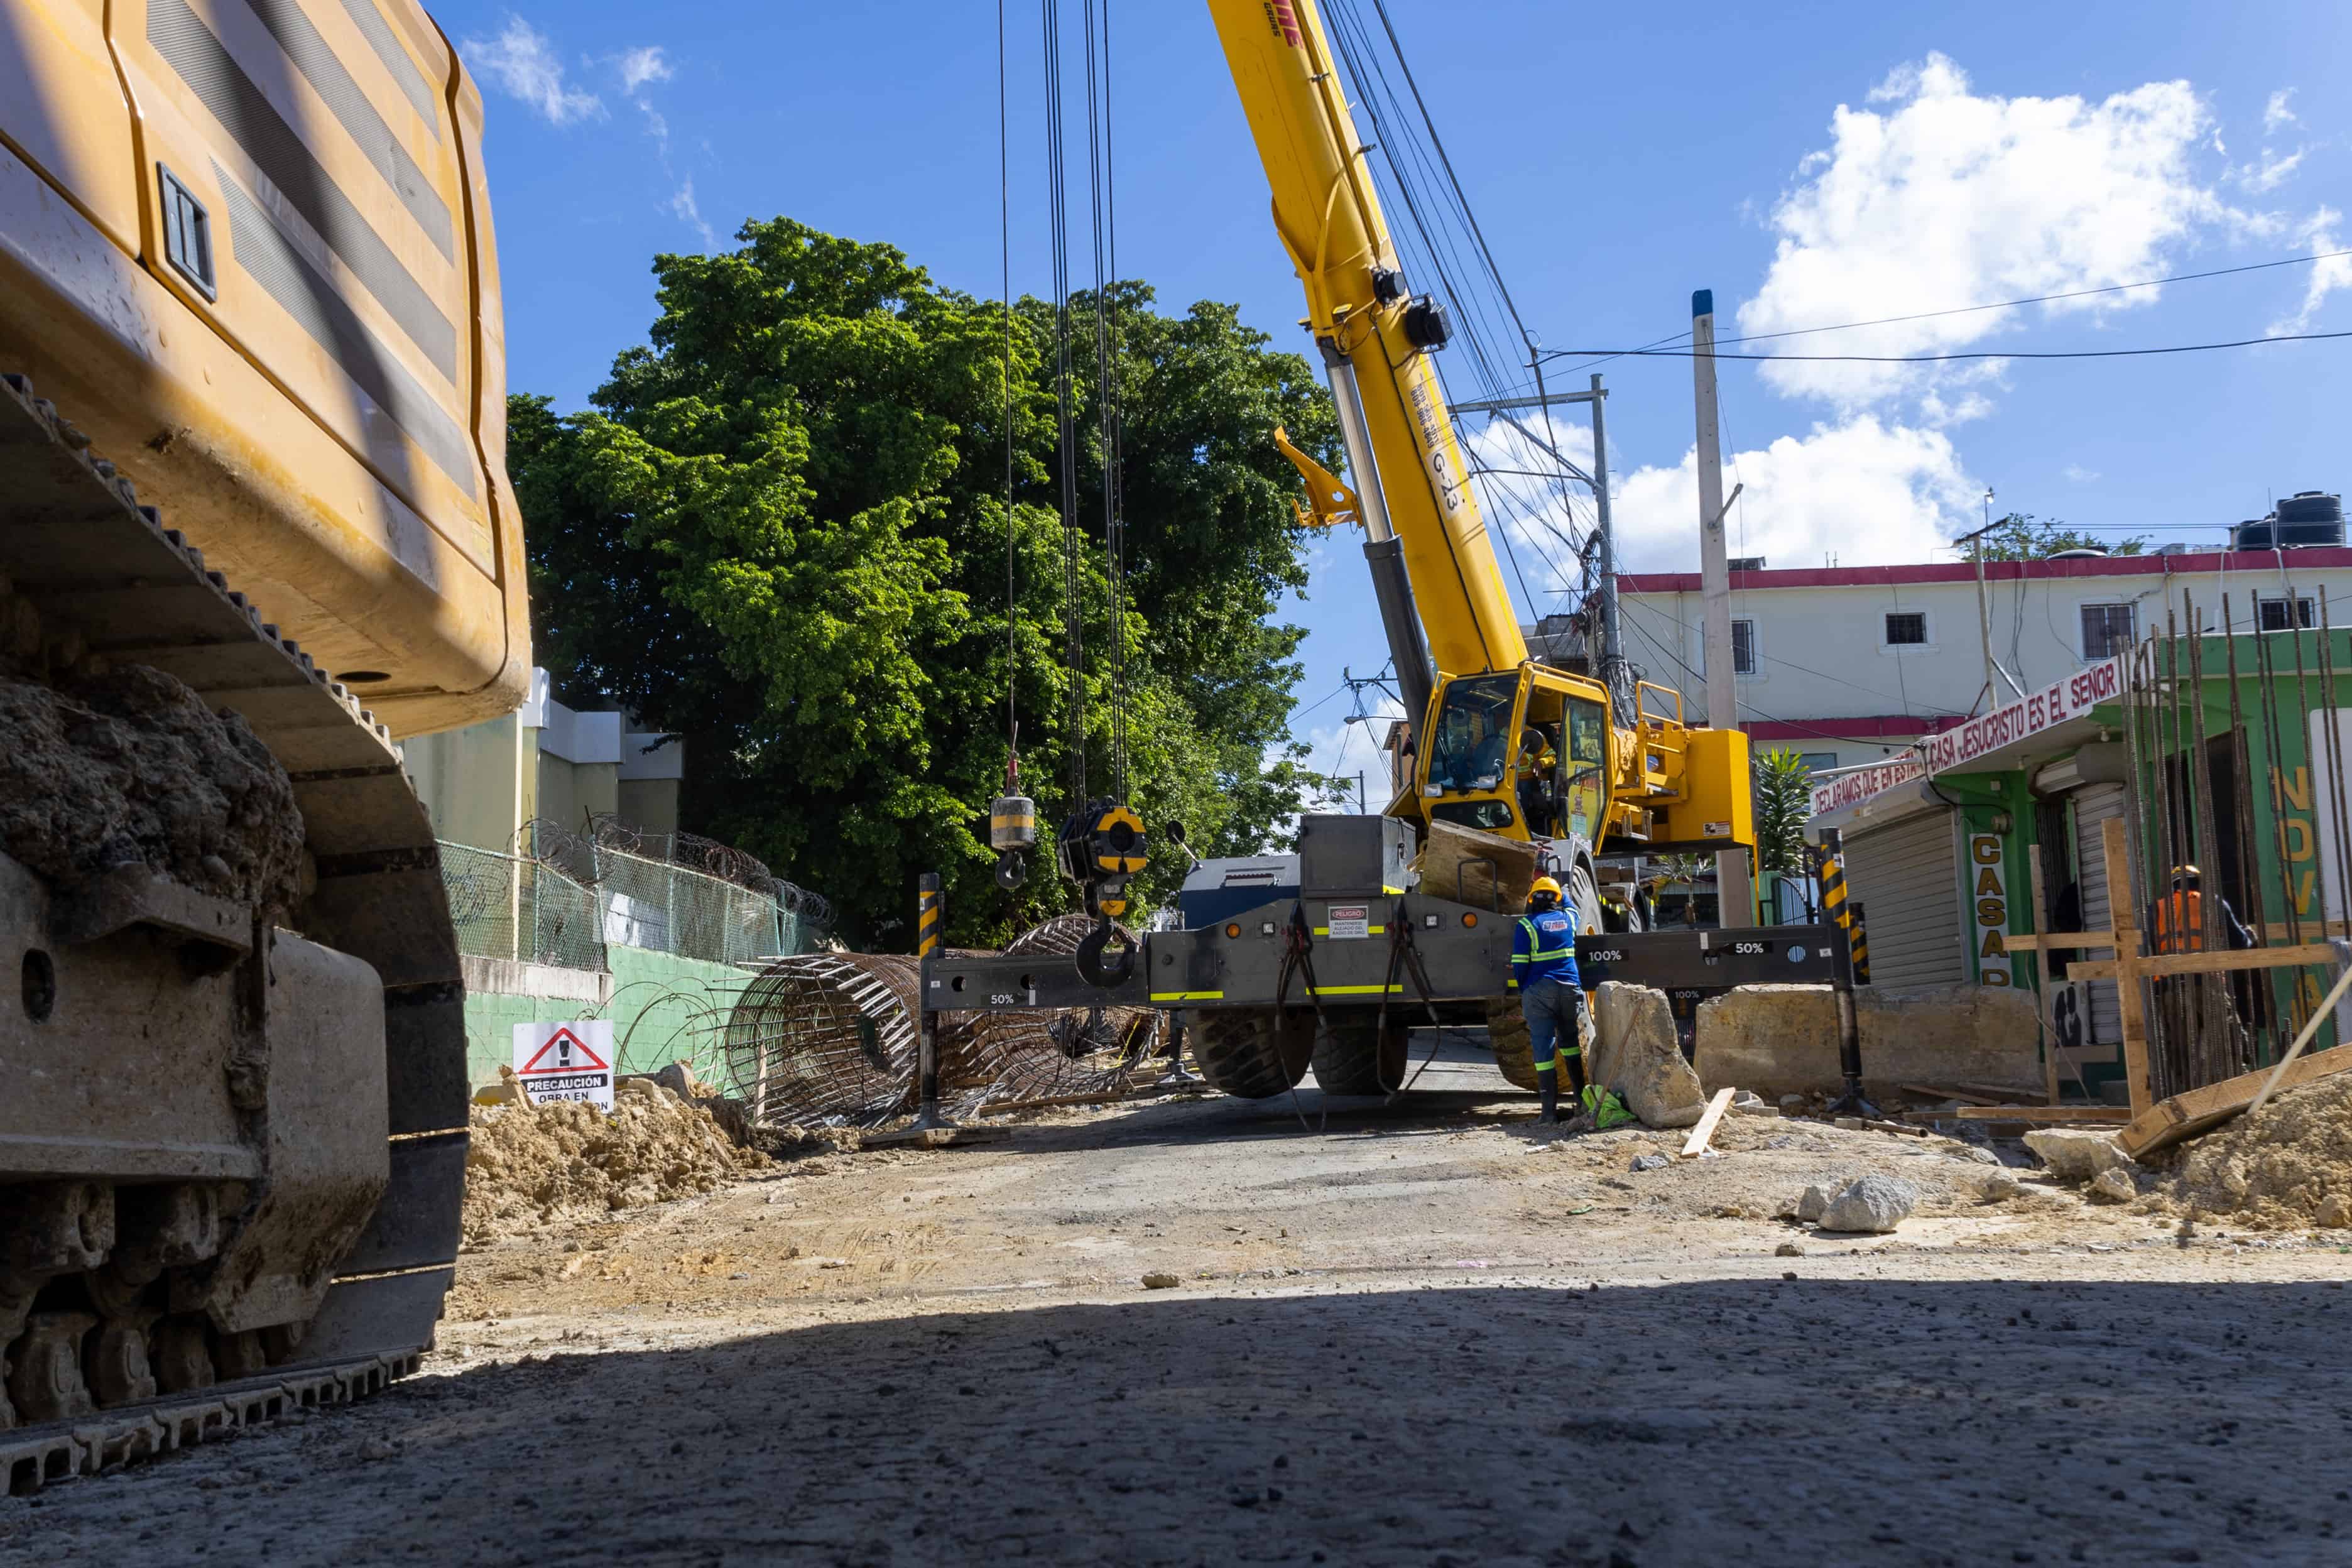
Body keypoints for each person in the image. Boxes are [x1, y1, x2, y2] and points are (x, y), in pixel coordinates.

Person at [1512, 874, 1587, 1124]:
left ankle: (1548, 1114)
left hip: (1539, 991)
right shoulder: (1569, 919)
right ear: (1556, 899)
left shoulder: (1526, 925)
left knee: (1543, 1048)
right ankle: (1581, 1103)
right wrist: (1558, 887)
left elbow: (1520, 964)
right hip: (1569, 989)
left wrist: (1527, 989)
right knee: (1570, 1043)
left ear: (1533, 899)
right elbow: (1571, 905)